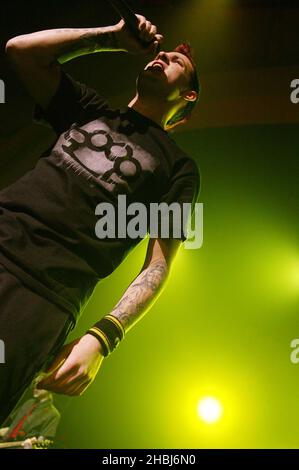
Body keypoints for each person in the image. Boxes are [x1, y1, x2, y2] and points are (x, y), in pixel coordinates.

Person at [1, 13, 200, 425]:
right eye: (161, 53)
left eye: (177, 62)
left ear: (190, 97)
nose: (162, 56)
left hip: (43, 295)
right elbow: (21, 50)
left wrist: (104, 336)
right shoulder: (87, 109)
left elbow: (158, 266)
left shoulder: (178, 167)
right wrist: (111, 36)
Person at [0, 377, 60, 448]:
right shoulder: (29, 403)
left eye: (40, 385)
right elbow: (13, 427)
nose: (35, 387)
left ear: (51, 388)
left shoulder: (53, 414)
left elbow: (42, 442)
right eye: (35, 384)